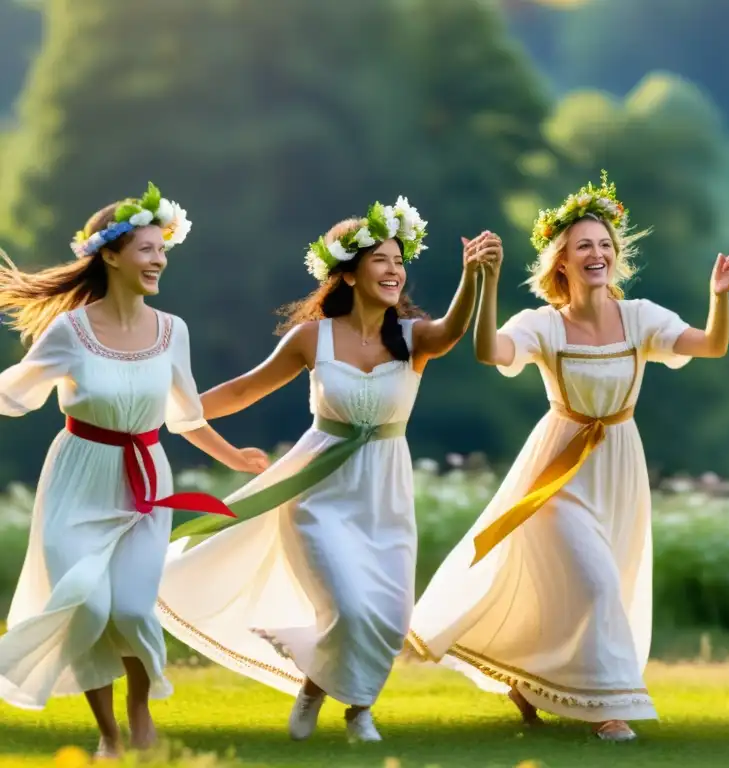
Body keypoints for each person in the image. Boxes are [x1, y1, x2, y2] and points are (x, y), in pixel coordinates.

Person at [407, 172, 729, 741]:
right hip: (557, 468)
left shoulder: (639, 316)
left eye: (605, 245)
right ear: (561, 260)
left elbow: (711, 345)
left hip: (619, 461)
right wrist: (486, 282)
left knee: (597, 581)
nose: (598, 254)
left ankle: (529, 679)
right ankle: (610, 709)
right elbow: (492, 352)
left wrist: (719, 299)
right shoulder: (543, 323)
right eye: (584, 245)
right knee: (595, 583)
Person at [157, 197, 497, 743]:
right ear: (349, 272)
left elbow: (454, 330)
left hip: (385, 489)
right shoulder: (311, 338)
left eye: (399, 260)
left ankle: (317, 688)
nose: (394, 270)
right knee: (346, 603)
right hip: (317, 489)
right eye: (381, 260)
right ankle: (359, 712)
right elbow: (244, 389)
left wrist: (474, 277)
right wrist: (173, 407)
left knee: (387, 614)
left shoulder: (412, 338)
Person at [0, 182, 268, 759]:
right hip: (78, 477)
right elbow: (13, 393)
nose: (159, 261)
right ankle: (108, 734)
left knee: (129, 608)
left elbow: (186, 416)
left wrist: (235, 459)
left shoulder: (173, 332)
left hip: (146, 480)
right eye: (147, 250)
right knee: (86, 606)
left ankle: (140, 714)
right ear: (111, 255)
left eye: (162, 250)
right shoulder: (69, 332)